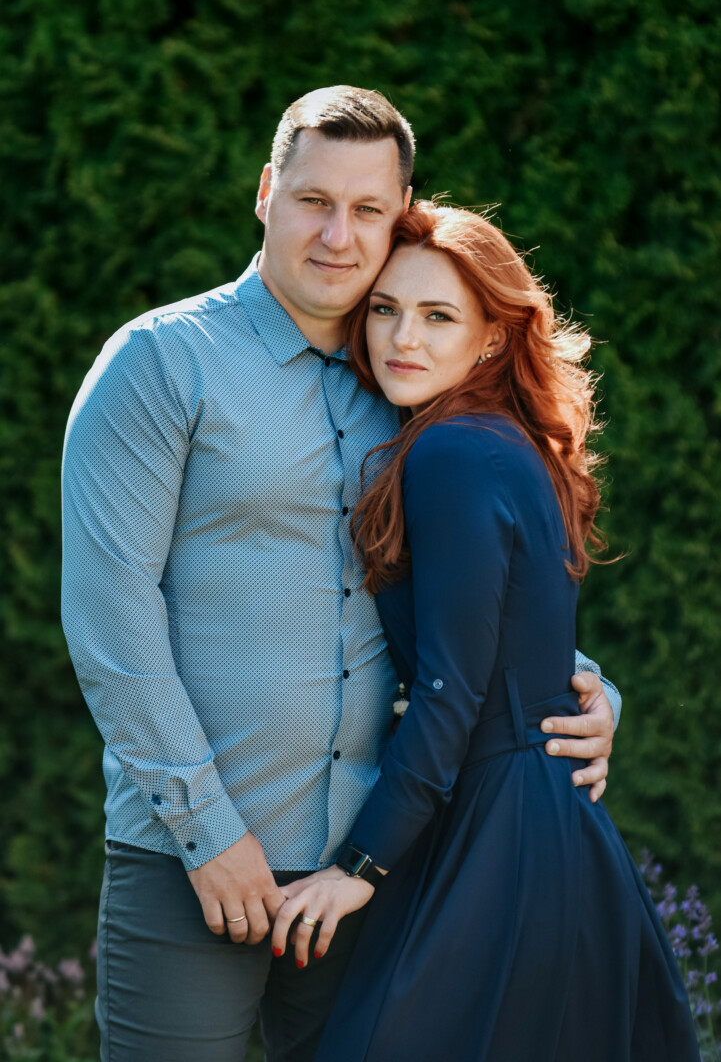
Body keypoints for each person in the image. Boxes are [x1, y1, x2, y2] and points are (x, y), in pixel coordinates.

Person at [61, 87, 621, 1062]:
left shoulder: (408, 379)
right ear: (266, 192)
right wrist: (209, 832)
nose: (337, 234)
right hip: (195, 861)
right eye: (314, 200)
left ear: (398, 216)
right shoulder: (161, 363)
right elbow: (112, 621)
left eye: (367, 210)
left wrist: (583, 689)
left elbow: (473, 597)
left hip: (374, 871)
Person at [270, 201, 699, 1061]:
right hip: (536, 819)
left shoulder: (451, 453)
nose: (402, 339)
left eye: (438, 317)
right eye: (385, 309)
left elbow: (450, 690)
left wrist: (356, 869)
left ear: (492, 338)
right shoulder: (501, 443)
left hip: (497, 830)